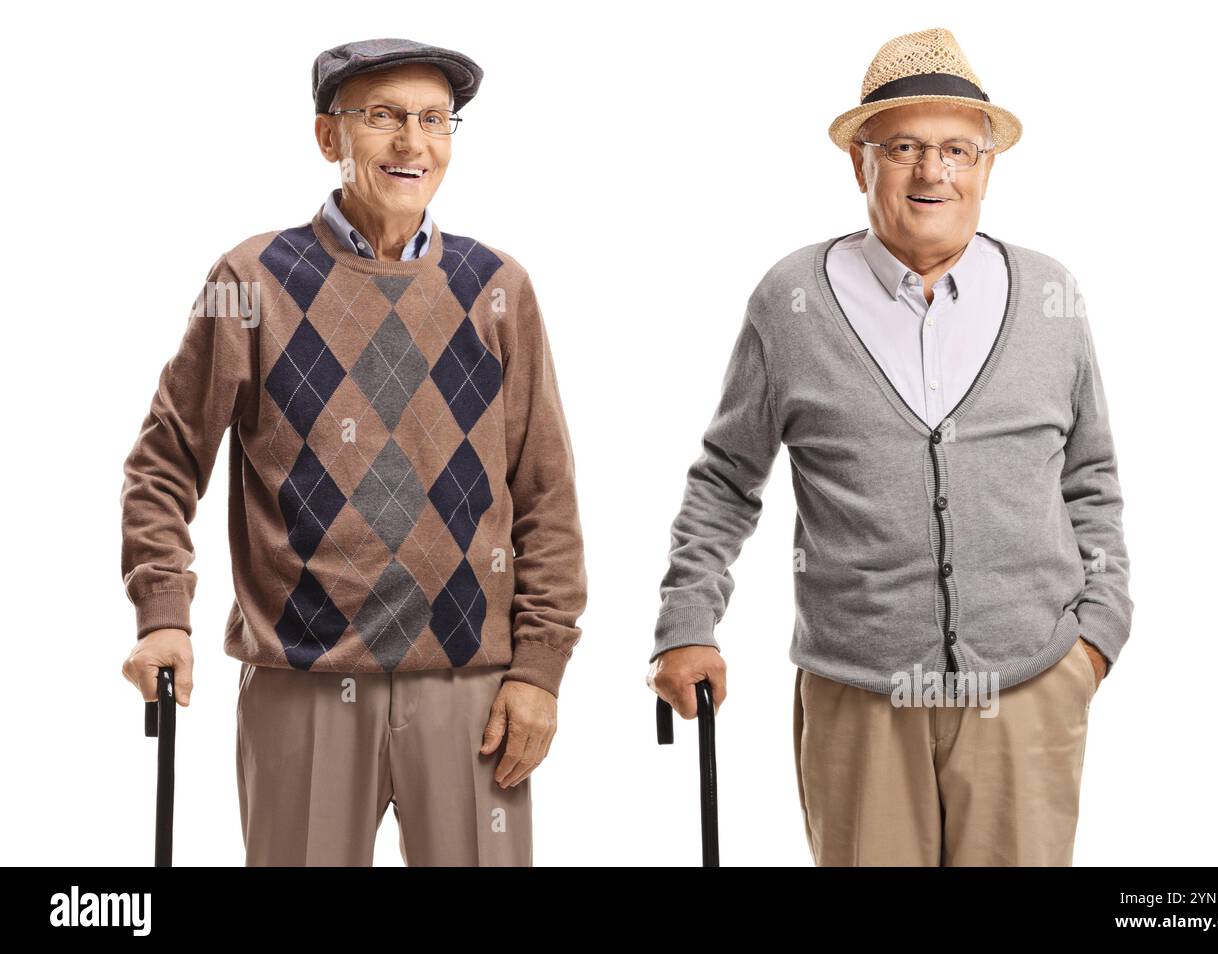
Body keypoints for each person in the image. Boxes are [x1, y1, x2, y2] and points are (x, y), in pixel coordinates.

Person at [647, 27, 1132, 865]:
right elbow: (727, 477)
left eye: (956, 149)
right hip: (859, 698)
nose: (931, 171)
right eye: (903, 145)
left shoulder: (1051, 294)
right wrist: (686, 621)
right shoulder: (791, 299)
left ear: (986, 166)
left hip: (1029, 687)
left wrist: (1097, 638)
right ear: (859, 162)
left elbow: (1090, 476)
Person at [120, 37, 587, 866]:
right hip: (302, 681)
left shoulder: (498, 288)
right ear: (327, 137)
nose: (413, 142)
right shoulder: (251, 279)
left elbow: (544, 494)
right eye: (383, 118)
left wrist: (540, 668)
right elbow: (164, 463)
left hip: (471, 690)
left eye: (435, 120)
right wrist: (164, 615)